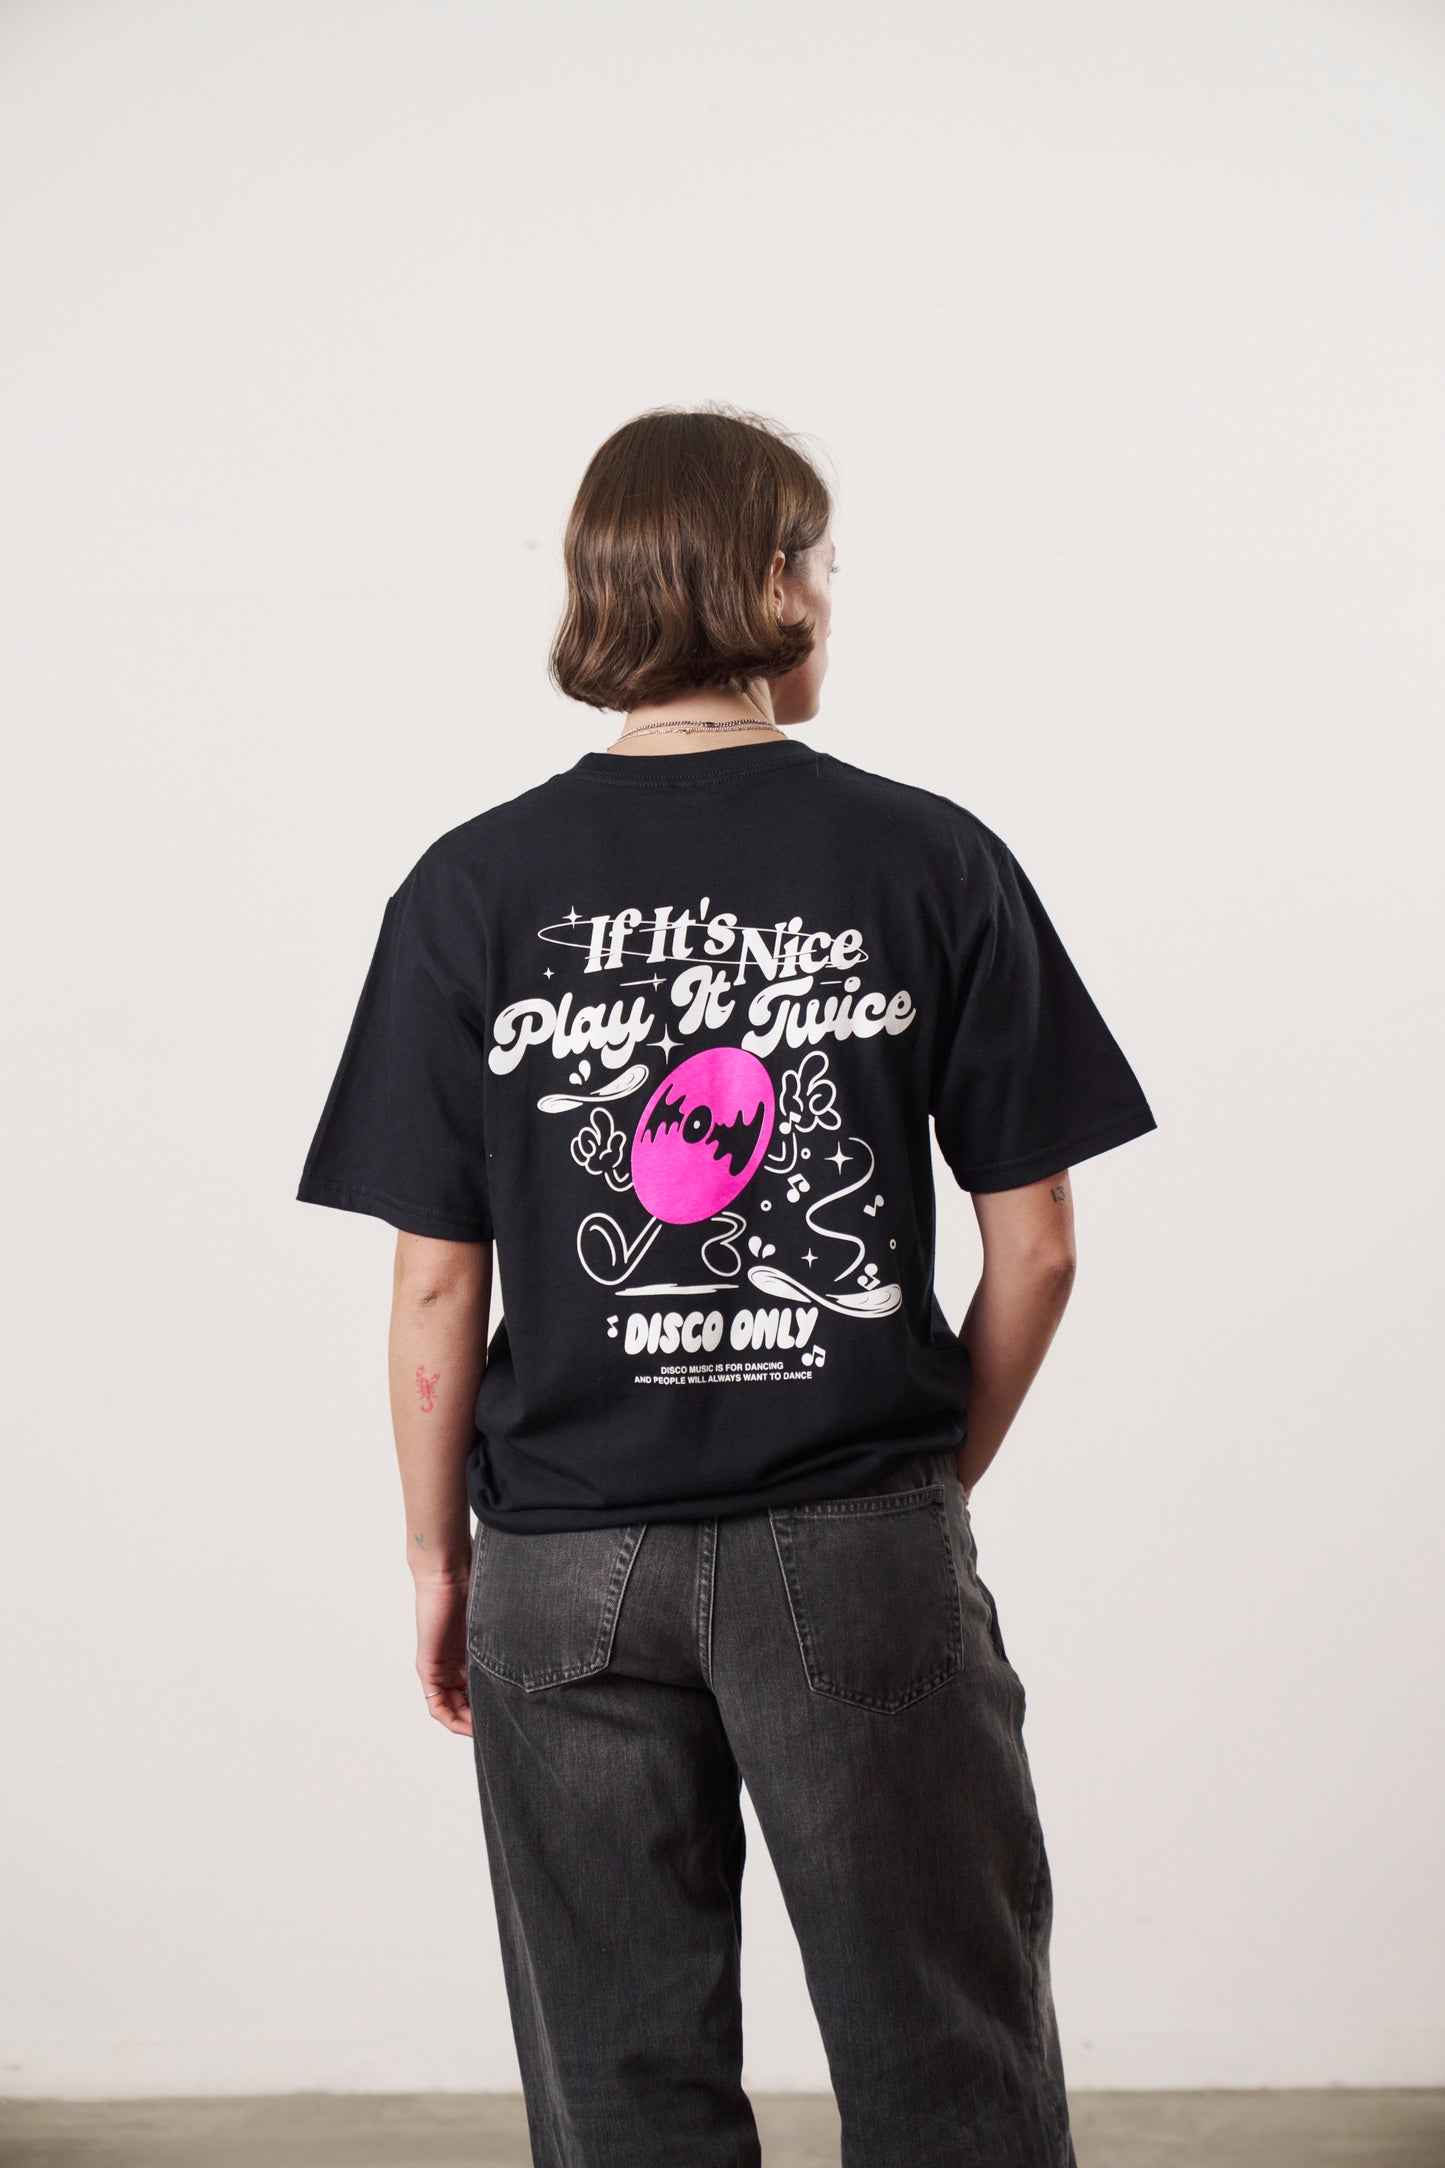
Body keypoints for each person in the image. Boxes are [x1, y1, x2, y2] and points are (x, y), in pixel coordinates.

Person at [296, 402, 1156, 2168]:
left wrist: (437, 1557)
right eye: (826, 564)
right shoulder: (928, 858)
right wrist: (913, 1487)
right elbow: (1040, 1245)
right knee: (946, 2059)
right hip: (852, 1530)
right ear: (771, 581)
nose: (833, 600)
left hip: (560, 1556)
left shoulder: (471, 887)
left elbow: (436, 1291)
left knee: (619, 2084)